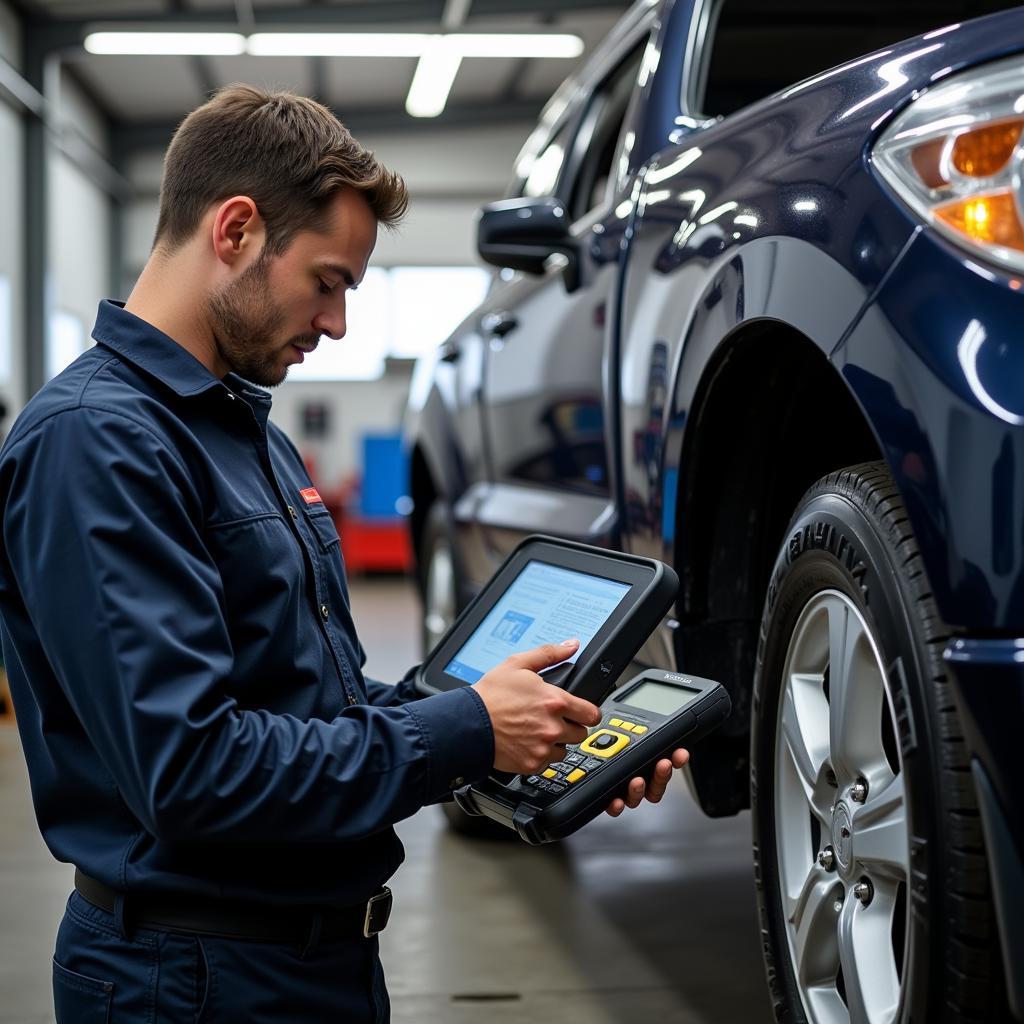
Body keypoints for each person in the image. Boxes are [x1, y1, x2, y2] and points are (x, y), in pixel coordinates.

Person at [0, 85, 690, 1023]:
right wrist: (466, 730)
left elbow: (309, 707)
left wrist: (528, 724)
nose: (337, 325)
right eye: (328, 281)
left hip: (311, 964)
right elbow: (194, 773)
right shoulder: (98, 442)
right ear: (236, 230)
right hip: (190, 982)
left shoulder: (249, 435)